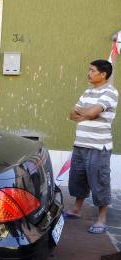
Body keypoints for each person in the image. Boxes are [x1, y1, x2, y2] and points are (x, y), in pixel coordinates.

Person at [66, 59, 118, 234]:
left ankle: (101, 219)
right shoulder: (88, 92)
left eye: (92, 70)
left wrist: (88, 113)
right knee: (78, 179)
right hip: (80, 144)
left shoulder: (110, 92)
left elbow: (88, 112)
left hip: (98, 146)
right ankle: (76, 210)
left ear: (103, 74)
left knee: (99, 182)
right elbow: (72, 114)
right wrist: (88, 114)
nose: (88, 73)